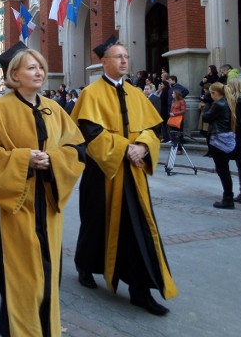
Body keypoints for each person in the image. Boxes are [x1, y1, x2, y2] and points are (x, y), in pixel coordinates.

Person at [0, 42, 86, 336]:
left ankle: (39, 327)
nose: (40, 72)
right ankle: (22, 329)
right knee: (23, 275)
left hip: (47, 203)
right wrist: (23, 159)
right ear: (14, 74)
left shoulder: (54, 109)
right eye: (32, 67)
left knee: (48, 270)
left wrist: (53, 159)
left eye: (41, 66)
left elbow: (77, 148)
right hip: (12, 206)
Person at [71, 36, 177, 316]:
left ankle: (139, 291)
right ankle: (85, 266)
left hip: (133, 173)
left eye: (126, 57)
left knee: (137, 229)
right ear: (104, 62)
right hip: (101, 174)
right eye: (118, 57)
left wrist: (142, 147)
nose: (124, 61)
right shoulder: (90, 94)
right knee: (95, 223)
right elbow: (88, 132)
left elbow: (153, 128)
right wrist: (123, 148)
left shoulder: (136, 93)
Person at [202, 82, 237, 209]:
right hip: (226, 138)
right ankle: (228, 197)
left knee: (223, 171)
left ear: (215, 93)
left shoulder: (218, 104)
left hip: (218, 139)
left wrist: (206, 104)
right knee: (224, 170)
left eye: (211, 93)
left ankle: (228, 199)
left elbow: (206, 117)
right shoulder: (228, 102)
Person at [168, 89, 187, 154]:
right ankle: (174, 147)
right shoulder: (173, 101)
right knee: (173, 133)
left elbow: (183, 110)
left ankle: (179, 149)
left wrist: (175, 113)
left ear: (176, 94)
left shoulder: (181, 101)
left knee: (179, 134)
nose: (172, 94)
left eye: (173, 93)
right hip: (173, 118)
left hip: (179, 119)